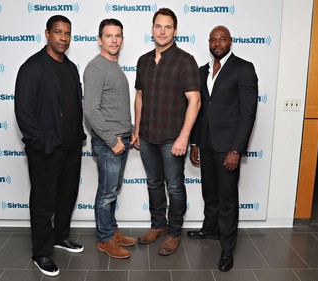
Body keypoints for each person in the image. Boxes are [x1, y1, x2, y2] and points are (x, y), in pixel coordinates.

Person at [14, 15, 86, 277]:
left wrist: (78, 135)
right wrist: (42, 142)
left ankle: (60, 236)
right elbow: (24, 112)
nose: (63, 38)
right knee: (44, 202)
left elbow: (74, 105)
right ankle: (42, 252)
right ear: (47, 34)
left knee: (67, 196)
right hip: (46, 149)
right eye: (58, 32)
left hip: (70, 147)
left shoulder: (70, 67)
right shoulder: (32, 67)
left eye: (67, 33)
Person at [187, 25, 258, 272]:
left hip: (228, 146)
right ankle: (210, 229)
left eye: (222, 39)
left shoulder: (244, 68)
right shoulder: (201, 70)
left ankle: (227, 247)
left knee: (227, 198)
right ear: (209, 43)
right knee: (210, 192)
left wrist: (236, 150)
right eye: (213, 40)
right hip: (206, 144)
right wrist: (195, 142)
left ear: (230, 41)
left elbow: (248, 113)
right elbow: (199, 110)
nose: (217, 43)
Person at [133, 8, 201, 256]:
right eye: (158, 26)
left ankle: (174, 232)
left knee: (174, 186)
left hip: (173, 138)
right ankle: (158, 225)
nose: (162, 31)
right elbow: (139, 96)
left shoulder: (185, 60)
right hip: (148, 136)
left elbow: (195, 101)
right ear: (152, 29)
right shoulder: (143, 61)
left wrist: (184, 136)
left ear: (175, 30)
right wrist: (137, 129)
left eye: (168, 27)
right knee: (153, 184)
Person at [83, 18, 136, 259]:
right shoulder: (96, 67)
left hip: (121, 139)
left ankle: (111, 231)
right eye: (108, 35)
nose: (114, 40)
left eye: (118, 35)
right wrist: (112, 140)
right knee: (106, 193)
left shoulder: (114, 67)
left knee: (112, 190)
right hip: (109, 142)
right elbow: (91, 110)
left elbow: (115, 107)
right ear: (99, 39)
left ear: (122, 39)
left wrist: (131, 130)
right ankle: (105, 239)